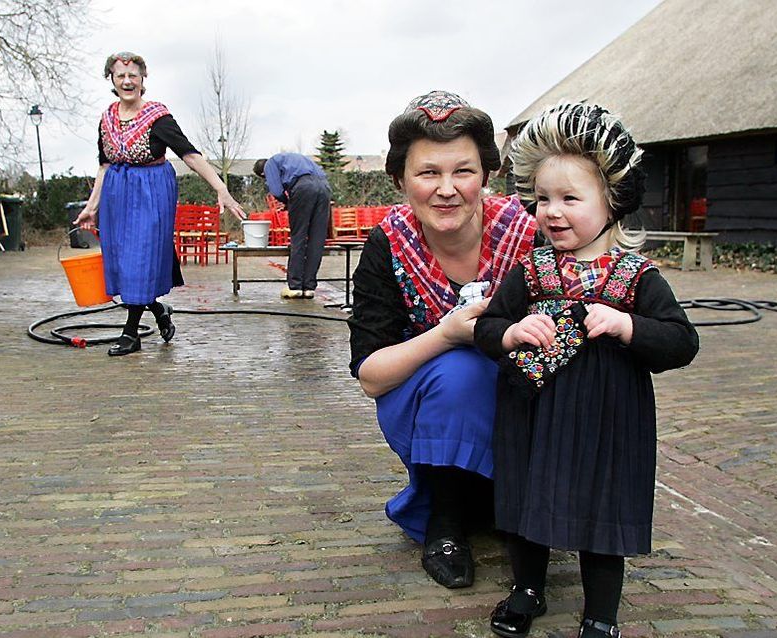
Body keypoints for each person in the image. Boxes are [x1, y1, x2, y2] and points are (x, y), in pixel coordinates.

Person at [474, 103, 700, 638]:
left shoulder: (635, 277)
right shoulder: (531, 271)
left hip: (608, 421)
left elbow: (681, 341)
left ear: (612, 201)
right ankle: (526, 590)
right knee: (527, 502)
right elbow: (489, 327)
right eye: (543, 199)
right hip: (532, 411)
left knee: (603, 512)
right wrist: (510, 333)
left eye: (570, 199)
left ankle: (601, 613)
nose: (552, 211)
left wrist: (627, 327)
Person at [347, 90, 537, 589]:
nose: (447, 189)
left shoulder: (526, 235)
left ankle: (518, 496)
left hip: (518, 393)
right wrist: (448, 333)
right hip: (427, 398)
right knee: (460, 370)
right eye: (428, 173)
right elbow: (370, 376)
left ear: (487, 176)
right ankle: (445, 521)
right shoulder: (388, 244)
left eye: (464, 171)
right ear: (401, 180)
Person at [75, 51, 246, 356]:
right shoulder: (106, 119)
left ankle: (130, 333)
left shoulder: (158, 117)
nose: (127, 81)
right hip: (117, 194)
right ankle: (158, 308)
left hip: (151, 192)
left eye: (133, 75)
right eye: (120, 76)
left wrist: (222, 189)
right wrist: (92, 206)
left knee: (141, 258)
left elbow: (190, 155)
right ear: (111, 80)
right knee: (123, 262)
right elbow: (103, 166)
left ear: (143, 80)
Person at [252, 153, 332, 299]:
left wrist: (288, 202)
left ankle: (295, 286)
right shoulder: (294, 159)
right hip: (325, 188)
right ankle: (309, 287)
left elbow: (276, 190)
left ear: (263, 173)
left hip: (303, 188)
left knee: (299, 237)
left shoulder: (270, 163)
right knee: (317, 239)